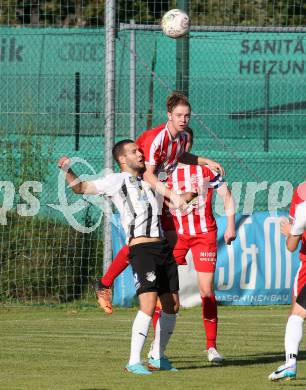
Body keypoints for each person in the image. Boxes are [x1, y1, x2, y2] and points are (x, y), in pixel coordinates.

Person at [58, 140, 182, 375]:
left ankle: (157, 357)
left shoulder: (148, 182)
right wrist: (67, 169)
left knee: (172, 305)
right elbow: (80, 188)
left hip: (162, 248)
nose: (140, 153)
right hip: (142, 249)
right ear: (122, 159)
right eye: (134, 151)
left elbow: (166, 203)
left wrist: (183, 197)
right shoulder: (116, 180)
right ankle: (133, 361)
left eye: (140, 150)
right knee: (147, 304)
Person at [94, 91, 224, 314]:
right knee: (143, 240)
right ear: (169, 116)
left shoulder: (181, 138)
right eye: (179, 115)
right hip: (141, 187)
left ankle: (158, 290)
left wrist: (204, 160)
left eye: (187, 115)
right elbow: (147, 175)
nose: (184, 119)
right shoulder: (158, 138)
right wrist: (174, 196)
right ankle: (105, 284)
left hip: (158, 190)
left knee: (167, 239)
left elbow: (181, 157)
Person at [148, 127, 236, 365]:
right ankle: (156, 349)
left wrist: (230, 225)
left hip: (203, 234)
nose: (181, 146)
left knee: (206, 290)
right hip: (174, 235)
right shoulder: (164, 171)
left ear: (190, 144)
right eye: (178, 141)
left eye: (185, 142)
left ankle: (212, 348)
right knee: (164, 292)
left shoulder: (206, 170)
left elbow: (226, 196)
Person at [269, 181, 306, 381]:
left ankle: (290, 363)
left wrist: (289, 232)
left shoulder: (302, 206)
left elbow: (291, 245)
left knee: (296, 314)